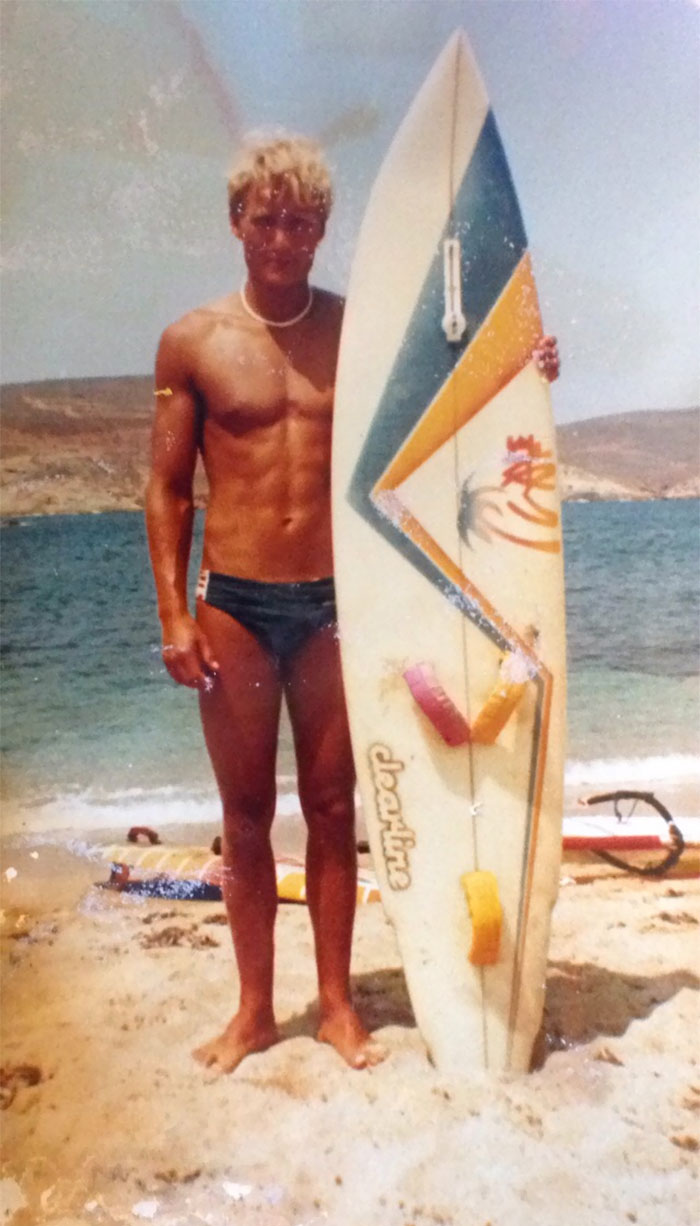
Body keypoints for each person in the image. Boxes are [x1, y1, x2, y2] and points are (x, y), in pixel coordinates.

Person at [145, 134, 559, 1074]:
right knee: (245, 814)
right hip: (236, 605)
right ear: (236, 223)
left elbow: (463, 389)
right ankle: (255, 1011)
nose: (283, 238)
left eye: (300, 221)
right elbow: (167, 489)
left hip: (341, 602)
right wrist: (173, 613)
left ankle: (335, 1005)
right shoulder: (193, 341)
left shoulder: (363, 328)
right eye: (266, 219)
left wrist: (529, 363)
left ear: (322, 228)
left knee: (333, 807)